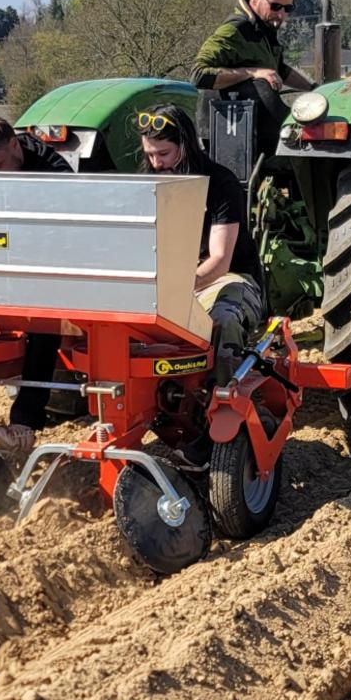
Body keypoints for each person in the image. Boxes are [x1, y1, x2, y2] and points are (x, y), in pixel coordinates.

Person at [136, 104, 264, 469]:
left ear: (186, 146)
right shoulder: (150, 182)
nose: (157, 163)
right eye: (149, 154)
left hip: (228, 280)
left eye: (164, 153)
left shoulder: (219, 183)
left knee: (220, 322)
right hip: (171, 281)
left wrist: (176, 288)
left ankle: (218, 427)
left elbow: (220, 261)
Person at [0, 116, 72, 458]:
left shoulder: (54, 173)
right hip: (8, 254)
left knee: (43, 327)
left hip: (50, 259)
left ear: (14, 145)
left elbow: (65, 232)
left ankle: (24, 422)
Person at [190, 0, 315, 158]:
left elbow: (280, 69)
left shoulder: (265, 30)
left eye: (288, 7)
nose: (281, 14)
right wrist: (253, 72)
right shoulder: (234, 30)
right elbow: (199, 75)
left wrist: (314, 88)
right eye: (275, 6)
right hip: (230, 136)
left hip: (261, 135)